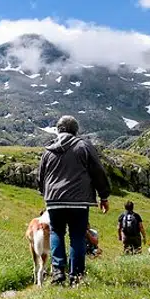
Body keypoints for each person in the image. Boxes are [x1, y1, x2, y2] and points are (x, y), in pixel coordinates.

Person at [34, 115, 110, 286]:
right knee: (77, 235)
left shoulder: (48, 150)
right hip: (79, 200)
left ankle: (58, 273)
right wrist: (103, 196)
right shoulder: (84, 146)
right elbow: (98, 171)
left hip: (54, 200)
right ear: (76, 131)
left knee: (56, 233)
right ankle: (76, 275)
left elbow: (40, 176)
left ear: (58, 129)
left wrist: (44, 193)